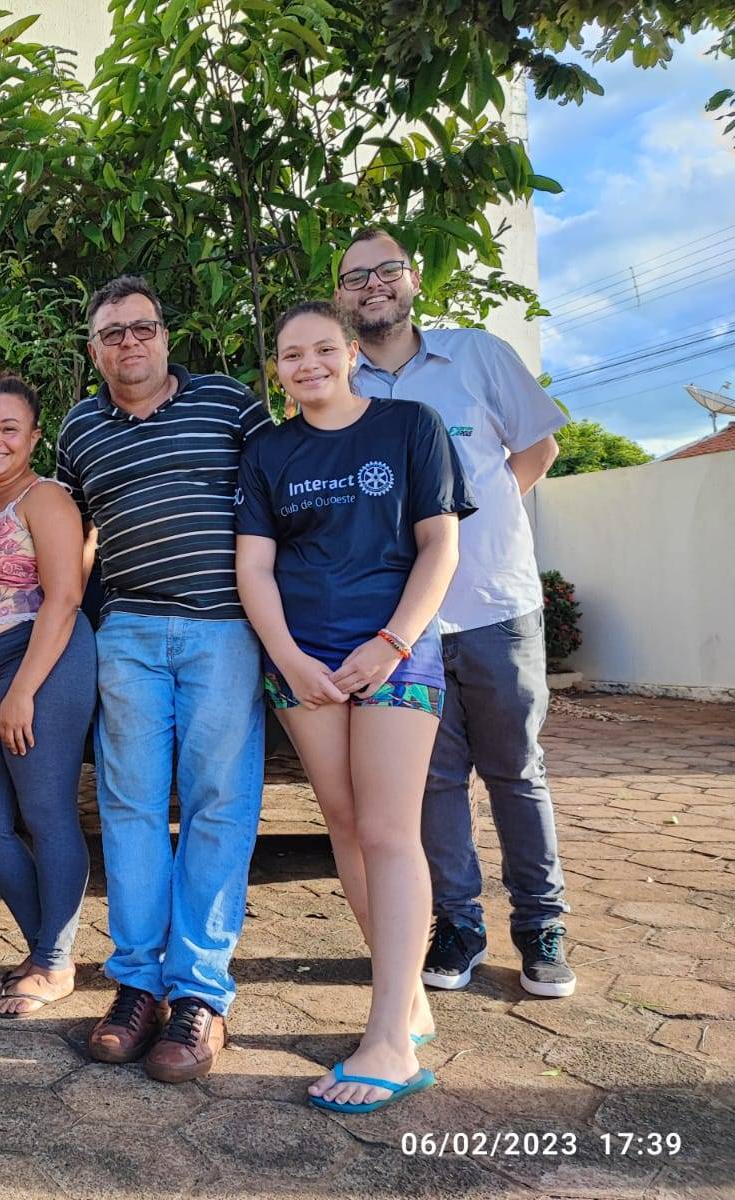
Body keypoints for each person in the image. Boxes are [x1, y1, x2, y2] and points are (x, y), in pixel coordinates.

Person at [236, 300, 476, 1112]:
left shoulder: (411, 426)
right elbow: (256, 568)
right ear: (277, 367)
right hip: (304, 665)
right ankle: (405, 998)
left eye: (321, 350)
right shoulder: (268, 448)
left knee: (386, 830)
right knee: (342, 824)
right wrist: (290, 658)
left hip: (395, 655)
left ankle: (389, 1041)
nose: (307, 366)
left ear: (348, 354)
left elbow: (441, 544)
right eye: (290, 355)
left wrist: (394, 642)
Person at [334, 229, 576, 998]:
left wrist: (481, 523)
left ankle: (541, 923)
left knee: (516, 770)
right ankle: (459, 921)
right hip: (404, 628)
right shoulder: (344, 385)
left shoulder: (478, 356)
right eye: (354, 277)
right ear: (341, 298)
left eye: (386, 270)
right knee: (432, 786)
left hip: (494, 605)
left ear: (412, 282)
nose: (371, 285)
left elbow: (535, 451)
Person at [55, 275, 271, 1083]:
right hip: (131, 634)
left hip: (223, 630)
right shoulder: (80, 429)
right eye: (112, 334)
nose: (129, 344)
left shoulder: (228, 404)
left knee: (220, 805)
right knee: (131, 807)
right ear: (93, 349)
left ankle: (201, 997)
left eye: (141, 329)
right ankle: (138, 984)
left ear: (165, 336)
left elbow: (275, 503)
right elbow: (74, 538)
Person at [0, 376, 95, 1018]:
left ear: (34, 437)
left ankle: (54, 961)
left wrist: (24, 689)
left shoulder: (46, 498)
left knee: (46, 808)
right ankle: (46, 949)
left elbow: (65, 598)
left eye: (10, 428)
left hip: (38, 657)